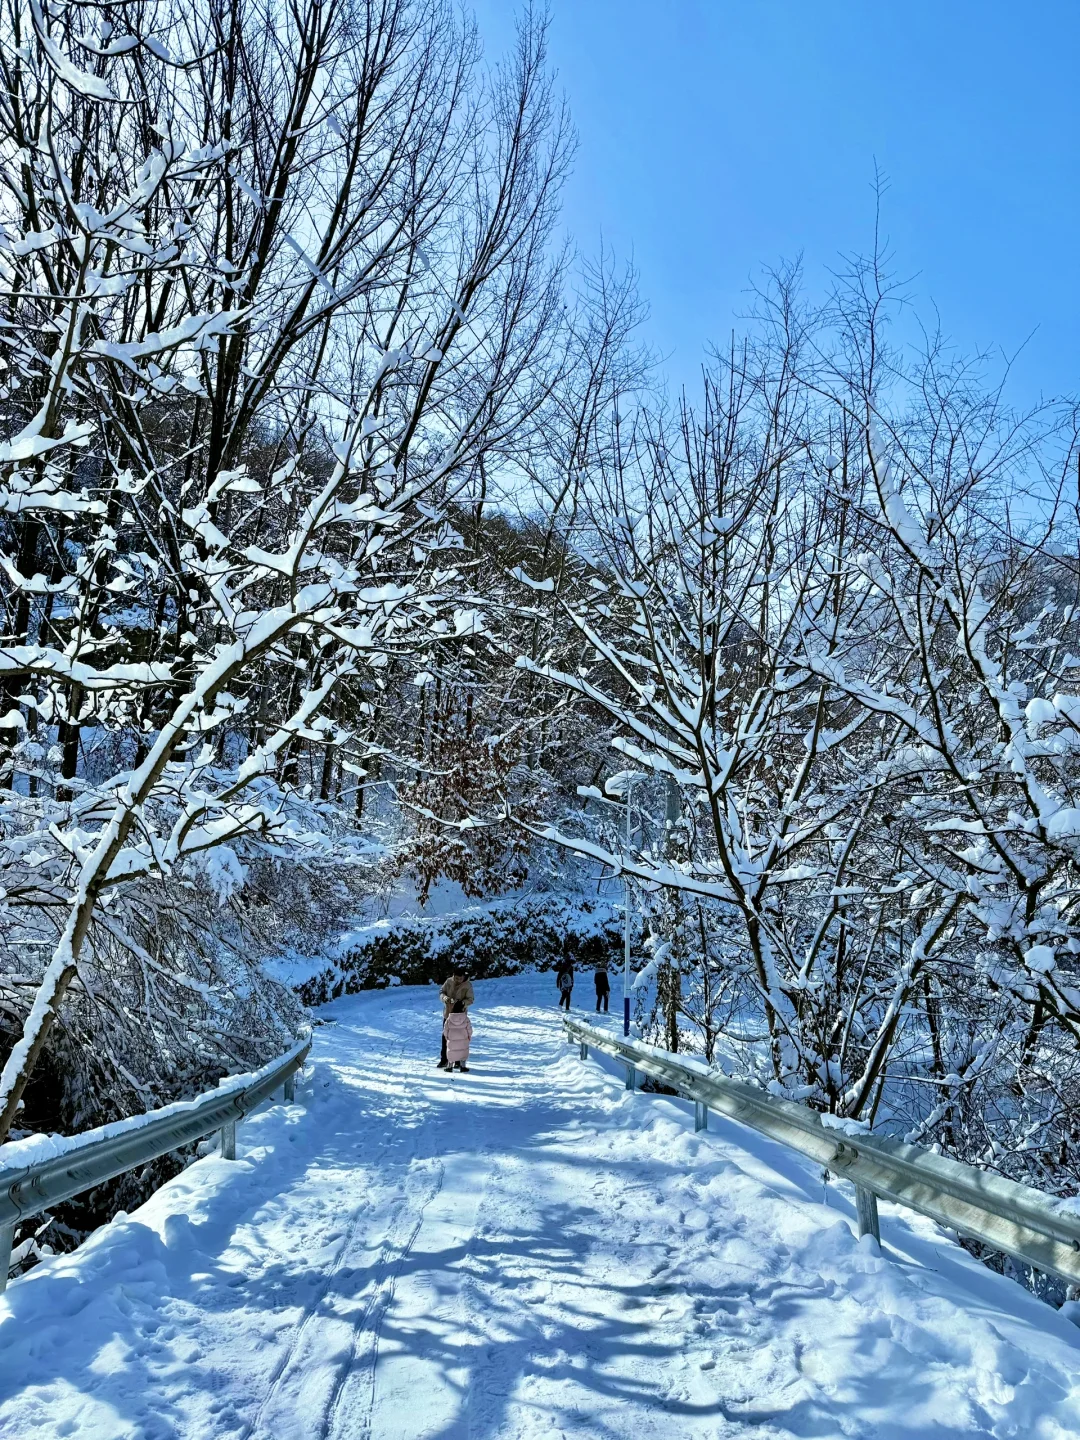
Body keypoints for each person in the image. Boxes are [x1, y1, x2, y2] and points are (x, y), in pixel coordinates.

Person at [437, 969, 474, 1068]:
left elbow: (471, 999)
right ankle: (444, 1059)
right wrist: (445, 998)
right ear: (453, 976)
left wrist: (462, 1003)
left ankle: (458, 1061)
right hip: (448, 1015)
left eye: (460, 978)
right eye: (456, 978)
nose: (458, 980)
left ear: (463, 977)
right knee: (446, 1037)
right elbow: (441, 992)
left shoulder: (468, 985)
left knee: (460, 1039)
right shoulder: (448, 981)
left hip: (460, 1016)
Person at [443, 999, 473, 1073]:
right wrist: (469, 1036)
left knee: (451, 1052)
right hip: (464, 1040)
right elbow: (469, 1029)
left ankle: (450, 1066)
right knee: (463, 1052)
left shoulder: (449, 1019)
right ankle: (462, 1066)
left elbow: (445, 1030)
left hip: (452, 1040)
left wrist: (447, 1037)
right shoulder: (466, 1018)